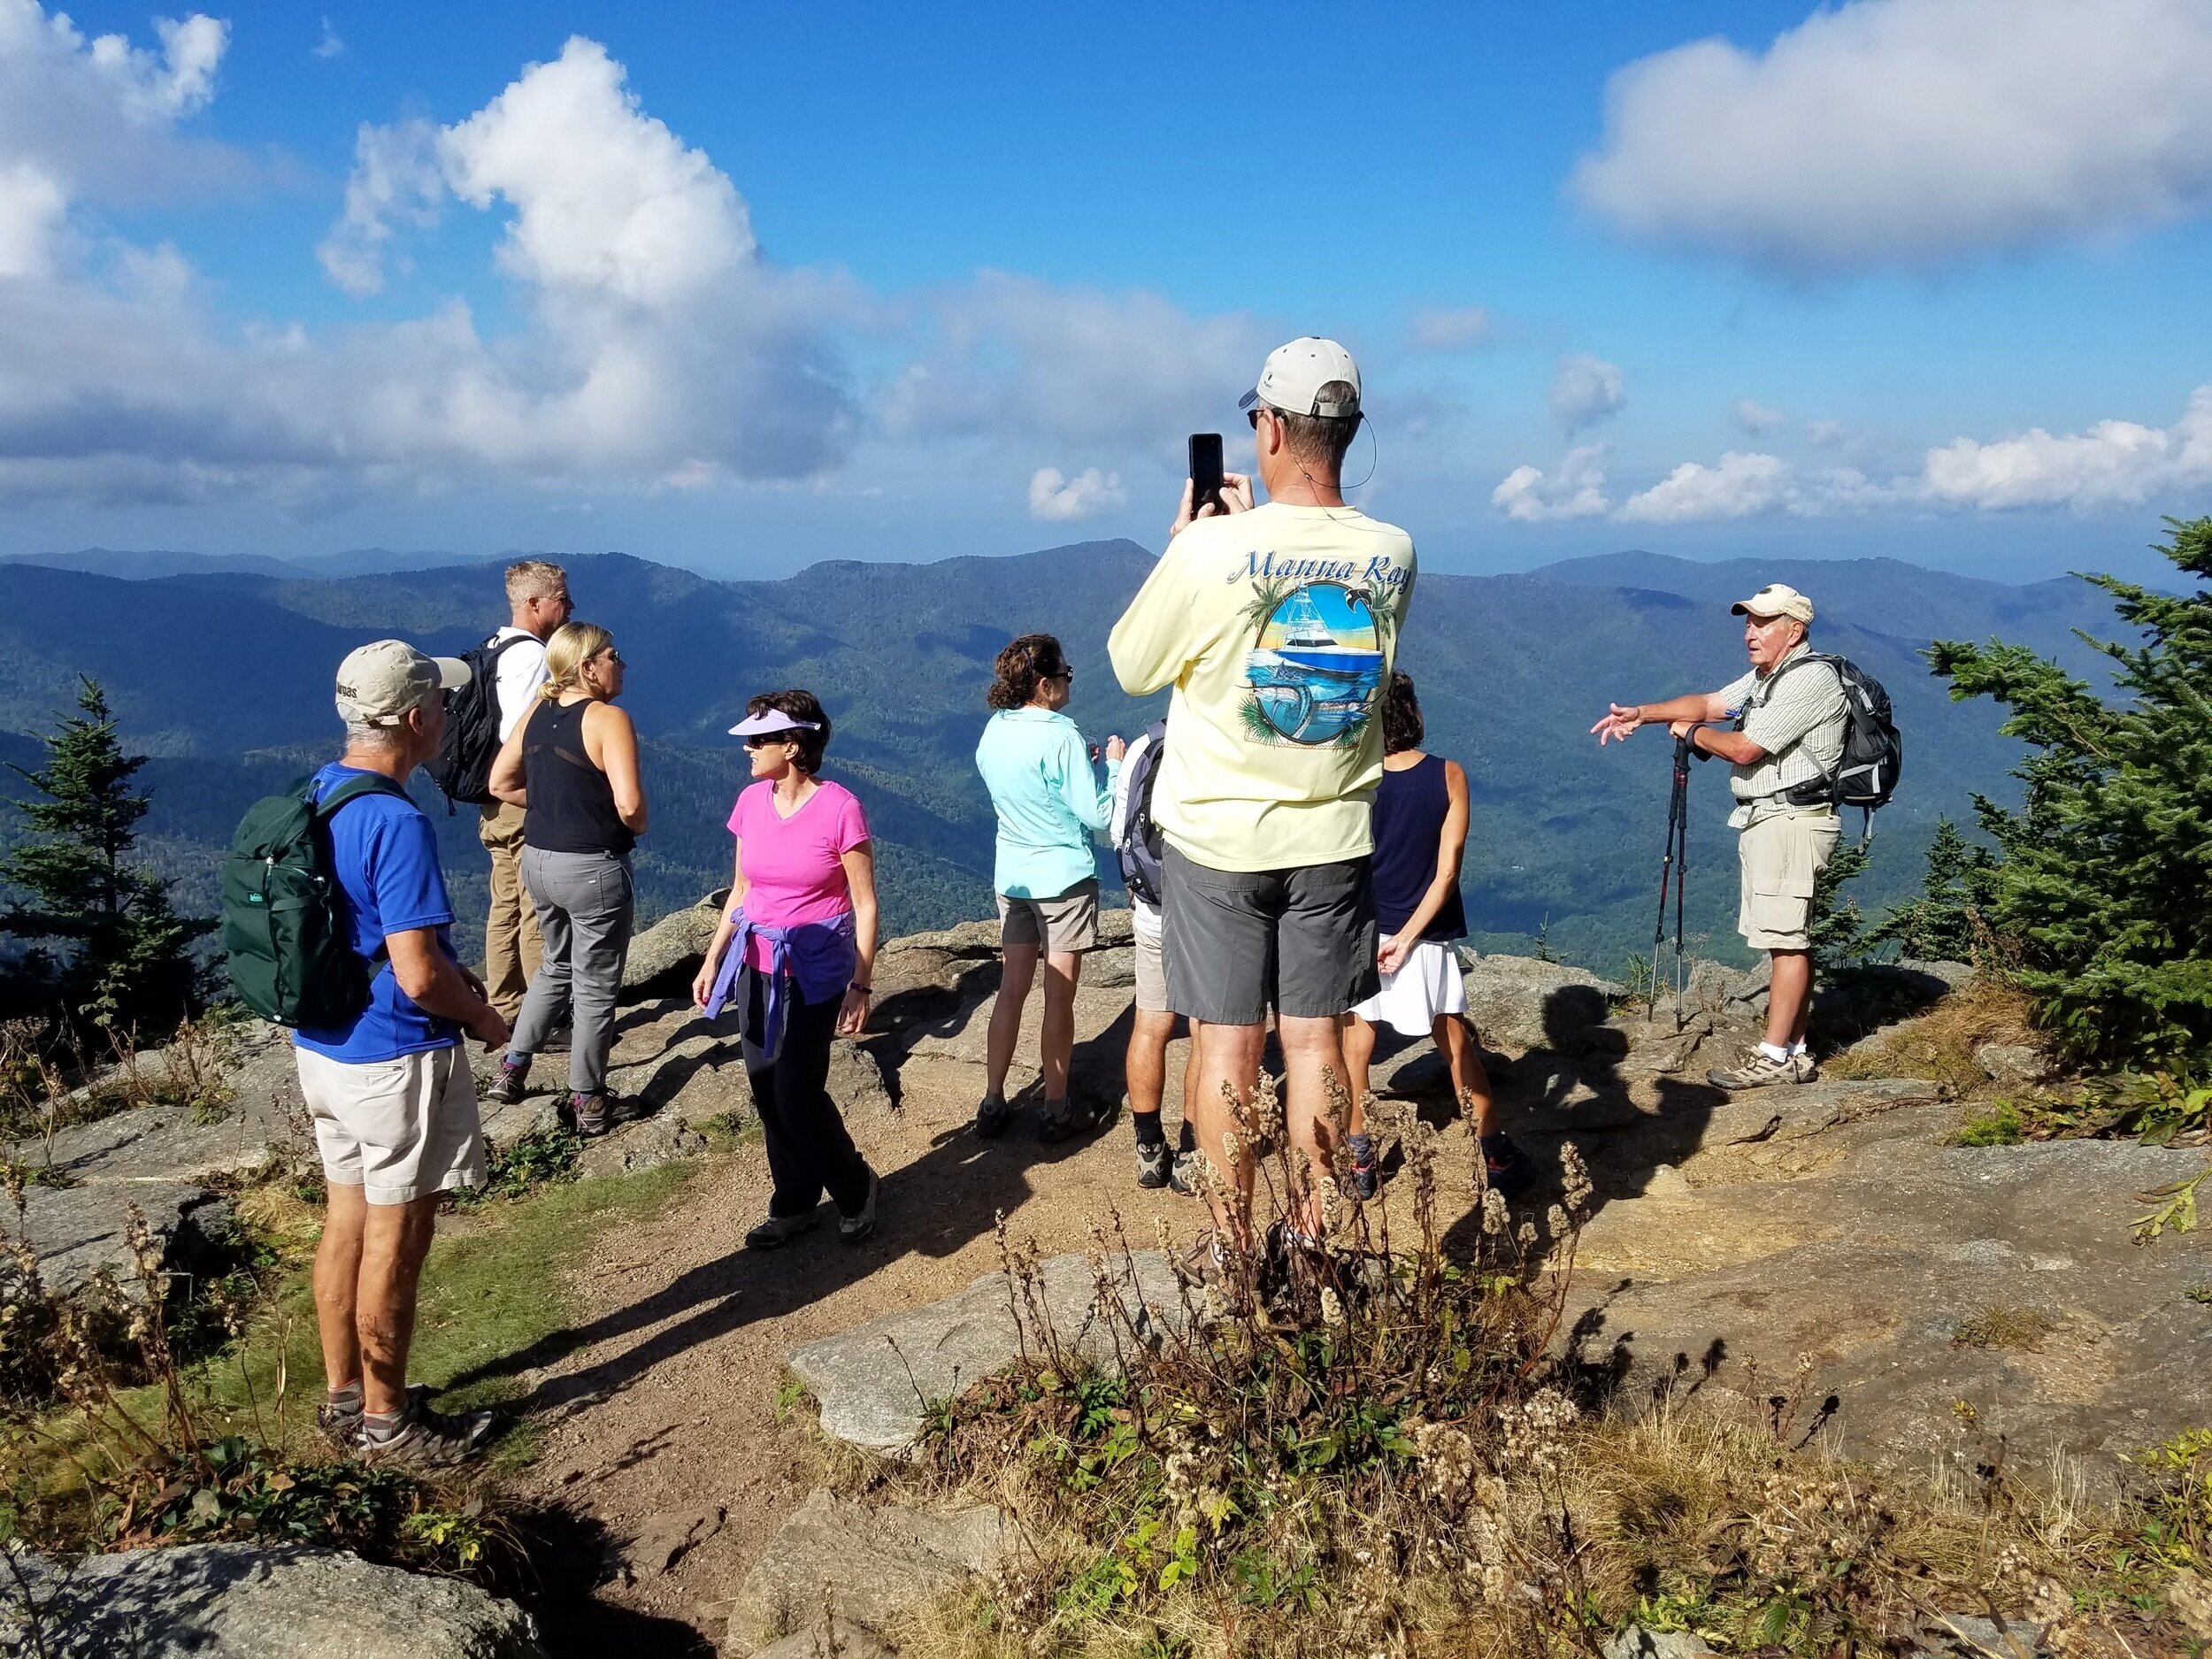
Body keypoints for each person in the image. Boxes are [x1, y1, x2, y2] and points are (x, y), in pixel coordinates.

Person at [1109, 336, 1415, 1259]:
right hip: (1333, 832)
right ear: (1349, 433)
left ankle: (1233, 1245)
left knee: (1227, 1046)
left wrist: (1187, 545)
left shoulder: (1211, 548)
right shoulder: (1393, 552)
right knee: (1317, 1041)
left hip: (1218, 842)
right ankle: (1317, 1232)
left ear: (1271, 427)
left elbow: (1132, 665)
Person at [295, 640, 508, 1467]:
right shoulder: (395, 818)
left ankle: (344, 1395)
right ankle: (390, 1424)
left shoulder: (317, 792)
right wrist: (486, 1021)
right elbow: (419, 974)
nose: (452, 718)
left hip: (325, 1045)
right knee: (398, 1236)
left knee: (344, 1219)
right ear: (417, 720)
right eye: (444, 706)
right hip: (394, 1054)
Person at [1591, 582, 1848, 1090]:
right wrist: (1642, 714)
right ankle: (1792, 1051)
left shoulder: (1809, 680)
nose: (1750, 632)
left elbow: (1745, 748)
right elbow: (1709, 704)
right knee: (1784, 937)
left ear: (1794, 630)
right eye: (1748, 622)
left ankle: (1775, 1057)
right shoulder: (1768, 678)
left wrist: (1690, 735)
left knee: (1786, 940)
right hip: (1773, 820)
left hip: (1792, 822)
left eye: (1763, 623)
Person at [693, 691, 880, 1246]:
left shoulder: (840, 808)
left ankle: (854, 1186)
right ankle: (794, 1202)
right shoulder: (751, 803)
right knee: (765, 1085)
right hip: (755, 962)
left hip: (816, 970)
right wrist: (713, 959)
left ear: (792, 745)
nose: (747, 749)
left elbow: (864, 901)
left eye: (759, 740)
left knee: (797, 1091)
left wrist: (861, 982)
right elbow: (742, 890)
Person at [1339, 673, 1523, 1198]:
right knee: (1455, 1043)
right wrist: (1412, 937)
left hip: (1367, 927)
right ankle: (1496, 1156)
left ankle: (1361, 1163)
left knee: (1358, 1045)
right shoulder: (1448, 775)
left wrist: (1383, 935)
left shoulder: (1355, 778)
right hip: (1427, 936)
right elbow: (1446, 875)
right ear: (1413, 713)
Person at [483, 622, 646, 1134]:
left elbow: (500, 782)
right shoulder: (607, 718)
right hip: (592, 868)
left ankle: (511, 1069)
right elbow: (630, 805)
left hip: (539, 861)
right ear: (588, 666)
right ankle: (589, 1101)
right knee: (596, 987)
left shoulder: (537, 711)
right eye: (613, 655)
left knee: (556, 965)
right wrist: (633, 822)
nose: (621, 663)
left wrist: (557, 806)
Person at [972, 634, 1125, 1142]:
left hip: (1011, 876)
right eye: (1065, 674)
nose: (1067, 681)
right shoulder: (1060, 735)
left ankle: (993, 1101)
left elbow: (1022, 787)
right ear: (1045, 684)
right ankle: (1055, 1109)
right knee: (1058, 996)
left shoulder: (995, 730)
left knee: (1011, 990)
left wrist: (1079, 765)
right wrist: (1114, 766)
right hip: (1061, 880)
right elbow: (1099, 813)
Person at [477, 560, 572, 1023]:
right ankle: (544, 1014)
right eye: (562, 597)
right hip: (519, 797)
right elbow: (523, 736)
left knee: (506, 905)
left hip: (491, 802)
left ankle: (506, 1004)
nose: (570, 606)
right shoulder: (534, 657)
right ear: (534, 603)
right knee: (539, 907)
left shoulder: (494, 647)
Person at [1109, 719, 1201, 1191]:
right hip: (1215, 910)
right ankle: (1192, 1149)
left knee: (1151, 1024)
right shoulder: (1231, 731)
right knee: (1209, 1030)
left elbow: (1119, 832)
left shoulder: (1144, 744)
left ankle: (1148, 1148)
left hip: (1153, 908)